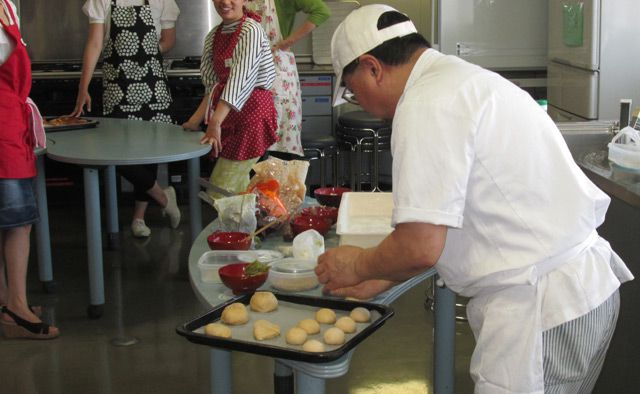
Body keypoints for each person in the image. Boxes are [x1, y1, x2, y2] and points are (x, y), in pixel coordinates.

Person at [315, 5, 634, 393]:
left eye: (351, 89)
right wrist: (381, 273)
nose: (357, 101)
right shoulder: (459, 81)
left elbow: (420, 246)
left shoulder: (425, 105)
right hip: (573, 292)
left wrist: (358, 264)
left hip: (540, 310)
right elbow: (464, 218)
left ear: (372, 67)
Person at [71, 0, 181, 238]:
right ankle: (164, 197)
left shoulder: (162, 1)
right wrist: (83, 87)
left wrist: (144, 52)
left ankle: (138, 218)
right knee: (114, 153)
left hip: (152, 87)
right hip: (117, 88)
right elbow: (95, 43)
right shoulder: (101, 1)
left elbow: (169, 40)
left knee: (149, 153)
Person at [0, 0, 59, 339]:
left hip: (11, 128)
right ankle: (17, 308)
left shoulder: (8, 7)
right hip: (3, 135)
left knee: (8, 222)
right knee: (19, 223)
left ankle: (7, 299)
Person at [182, 0, 278, 200]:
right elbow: (213, 86)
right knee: (238, 191)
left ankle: (236, 229)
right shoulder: (213, 37)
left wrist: (215, 122)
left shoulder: (251, 30)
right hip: (229, 116)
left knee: (221, 188)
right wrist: (194, 121)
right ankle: (245, 230)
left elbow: (239, 80)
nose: (225, 2)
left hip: (253, 115)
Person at [245, 0, 330, 160]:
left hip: (278, 72)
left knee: (280, 150)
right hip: (248, 71)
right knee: (252, 145)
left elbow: (322, 11)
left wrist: (289, 41)